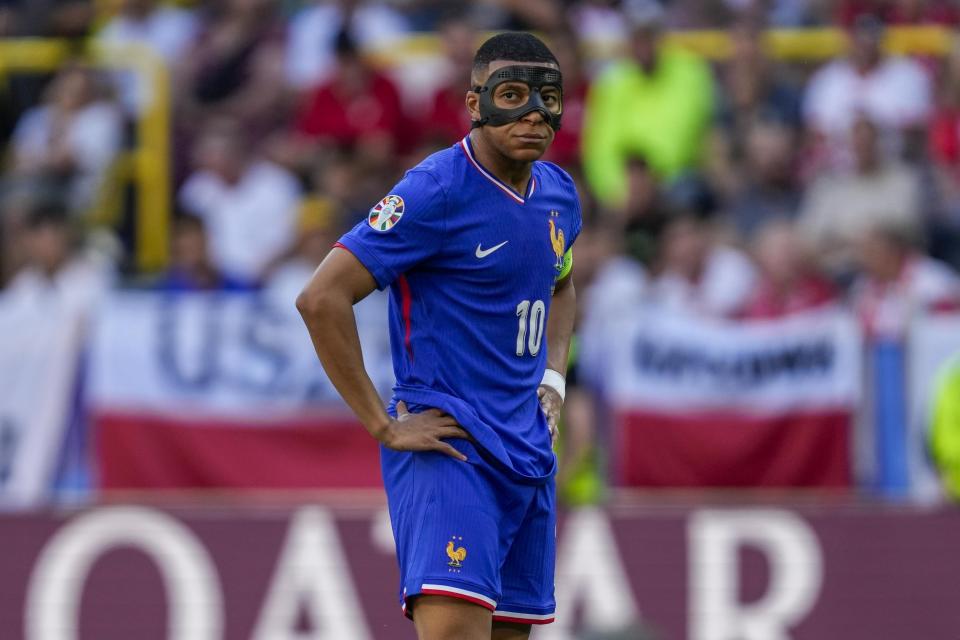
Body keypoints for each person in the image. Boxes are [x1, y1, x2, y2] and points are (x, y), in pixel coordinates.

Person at [297, 32, 581, 640]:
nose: (533, 112)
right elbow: (321, 298)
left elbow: (561, 286)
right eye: (512, 95)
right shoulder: (435, 190)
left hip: (527, 455)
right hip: (452, 447)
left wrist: (554, 379)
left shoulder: (558, 194)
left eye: (548, 98)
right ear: (474, 104)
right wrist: (383, 423)